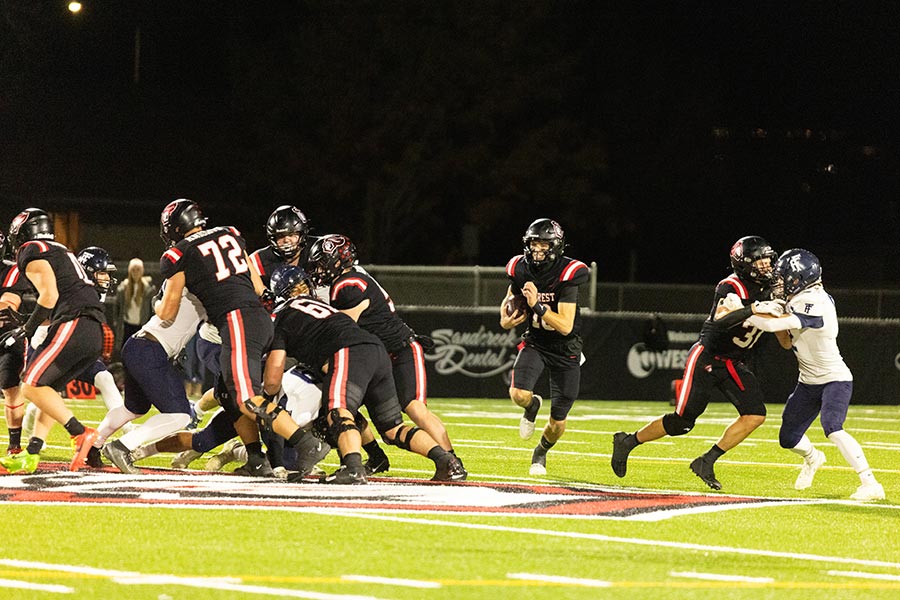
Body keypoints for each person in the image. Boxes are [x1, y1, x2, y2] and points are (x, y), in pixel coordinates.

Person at [244, 264, 466, 484]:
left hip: (349, 351)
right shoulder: (320, 304)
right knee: (391, 429)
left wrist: (263, 395)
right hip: (377, 350)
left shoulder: (282, 317)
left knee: (338, 413)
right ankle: (447, 461)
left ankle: (352, 468)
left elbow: (273, 379)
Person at [611, 235, 784, 490]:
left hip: (734, 361)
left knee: (755, 414)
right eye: (759, 262)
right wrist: (754, 308)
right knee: (683, 422)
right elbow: (720, 321)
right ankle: (628, 441)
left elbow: (784, 331)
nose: (766, 266)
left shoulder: (775, 287)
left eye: (768, 260)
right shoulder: (731, 286)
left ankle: (707, 461)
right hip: (707, 358)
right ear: (744, 264)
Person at [307, 233, 460, 475]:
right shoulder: (348, 279)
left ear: (338, 260)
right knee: (351, 408)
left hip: (400, 350)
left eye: (323, 261)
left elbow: (343, 330)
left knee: (413, 407)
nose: (319, 269)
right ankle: (375, 457)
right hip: (376, 358)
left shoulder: (347, 285)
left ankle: (451, 461)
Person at [744, 249, 885, 501]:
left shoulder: (815, 300)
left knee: (832, 427)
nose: (779, 282)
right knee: (788, 438)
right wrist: (773, 310)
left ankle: (870, 482)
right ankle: (812, 458)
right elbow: (787, 342)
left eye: (783, 277)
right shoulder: (797, 299)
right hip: (808, 382)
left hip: (834, 378)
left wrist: (744, 312)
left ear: (799, 277)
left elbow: (774, 325)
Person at [156, 198, 274, 476]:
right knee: (231, 393)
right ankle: (257, 457)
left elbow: (167, 312)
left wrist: (157, 303)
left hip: (235, 323)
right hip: (262, 322)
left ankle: (295, 442)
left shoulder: (179, 253)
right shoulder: (230, 234)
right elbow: (259, 288)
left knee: (245, 396)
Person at [0, 208, 103, 474]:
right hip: (92, 328)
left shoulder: (31, 249)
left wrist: (25, 329)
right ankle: (33, 452)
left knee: (30, 387)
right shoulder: (59, 249)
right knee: (47, 390)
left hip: (74, 321)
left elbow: (49, 296)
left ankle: (80, 434)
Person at [499, 218, 590, 475]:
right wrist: (505, 319)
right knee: (518, 393)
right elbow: (508, 300)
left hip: (566, 348)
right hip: (536, 342)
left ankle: (540, 451)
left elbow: (565, 326)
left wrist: (538, 306)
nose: (538, 250)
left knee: (558, 422)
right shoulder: (519, 267)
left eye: (544, 245)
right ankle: (532, 406)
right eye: (534, 244)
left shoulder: (569, 272)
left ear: (556, 246)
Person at [97, 279, 206, 474]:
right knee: (180, 416)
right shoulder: (199, 283)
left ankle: (93, 444)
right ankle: (121, 447)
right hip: (151, 349)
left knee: (134, 408)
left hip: (138, 345)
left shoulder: (180, 280)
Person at [0, 230, 32, 456]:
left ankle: (14, 445)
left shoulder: (11, 270)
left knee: (10, 388)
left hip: (7, 337)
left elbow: (7, 304)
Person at [115, 258, 157, 343]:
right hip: (127, 325)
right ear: (129, 271)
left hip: (142, 325)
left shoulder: (148, 289)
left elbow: (152, 309)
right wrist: (116, 321)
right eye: (133, 270)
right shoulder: (123, 288)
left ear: (142, 271)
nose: (135, 272)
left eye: (138, 269)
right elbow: (117, 306)